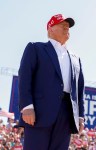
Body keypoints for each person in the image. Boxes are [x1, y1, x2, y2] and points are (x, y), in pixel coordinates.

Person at [18, 14, 85, 150]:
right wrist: (27, 107)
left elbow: (79, 89)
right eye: (62, 25)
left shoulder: (75, 58)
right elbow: (25, 77)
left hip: (66, 115)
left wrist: (81, 116)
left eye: (68, 26)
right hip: (39, 112)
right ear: (50, 29)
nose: (67, 28)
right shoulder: (35, 48)